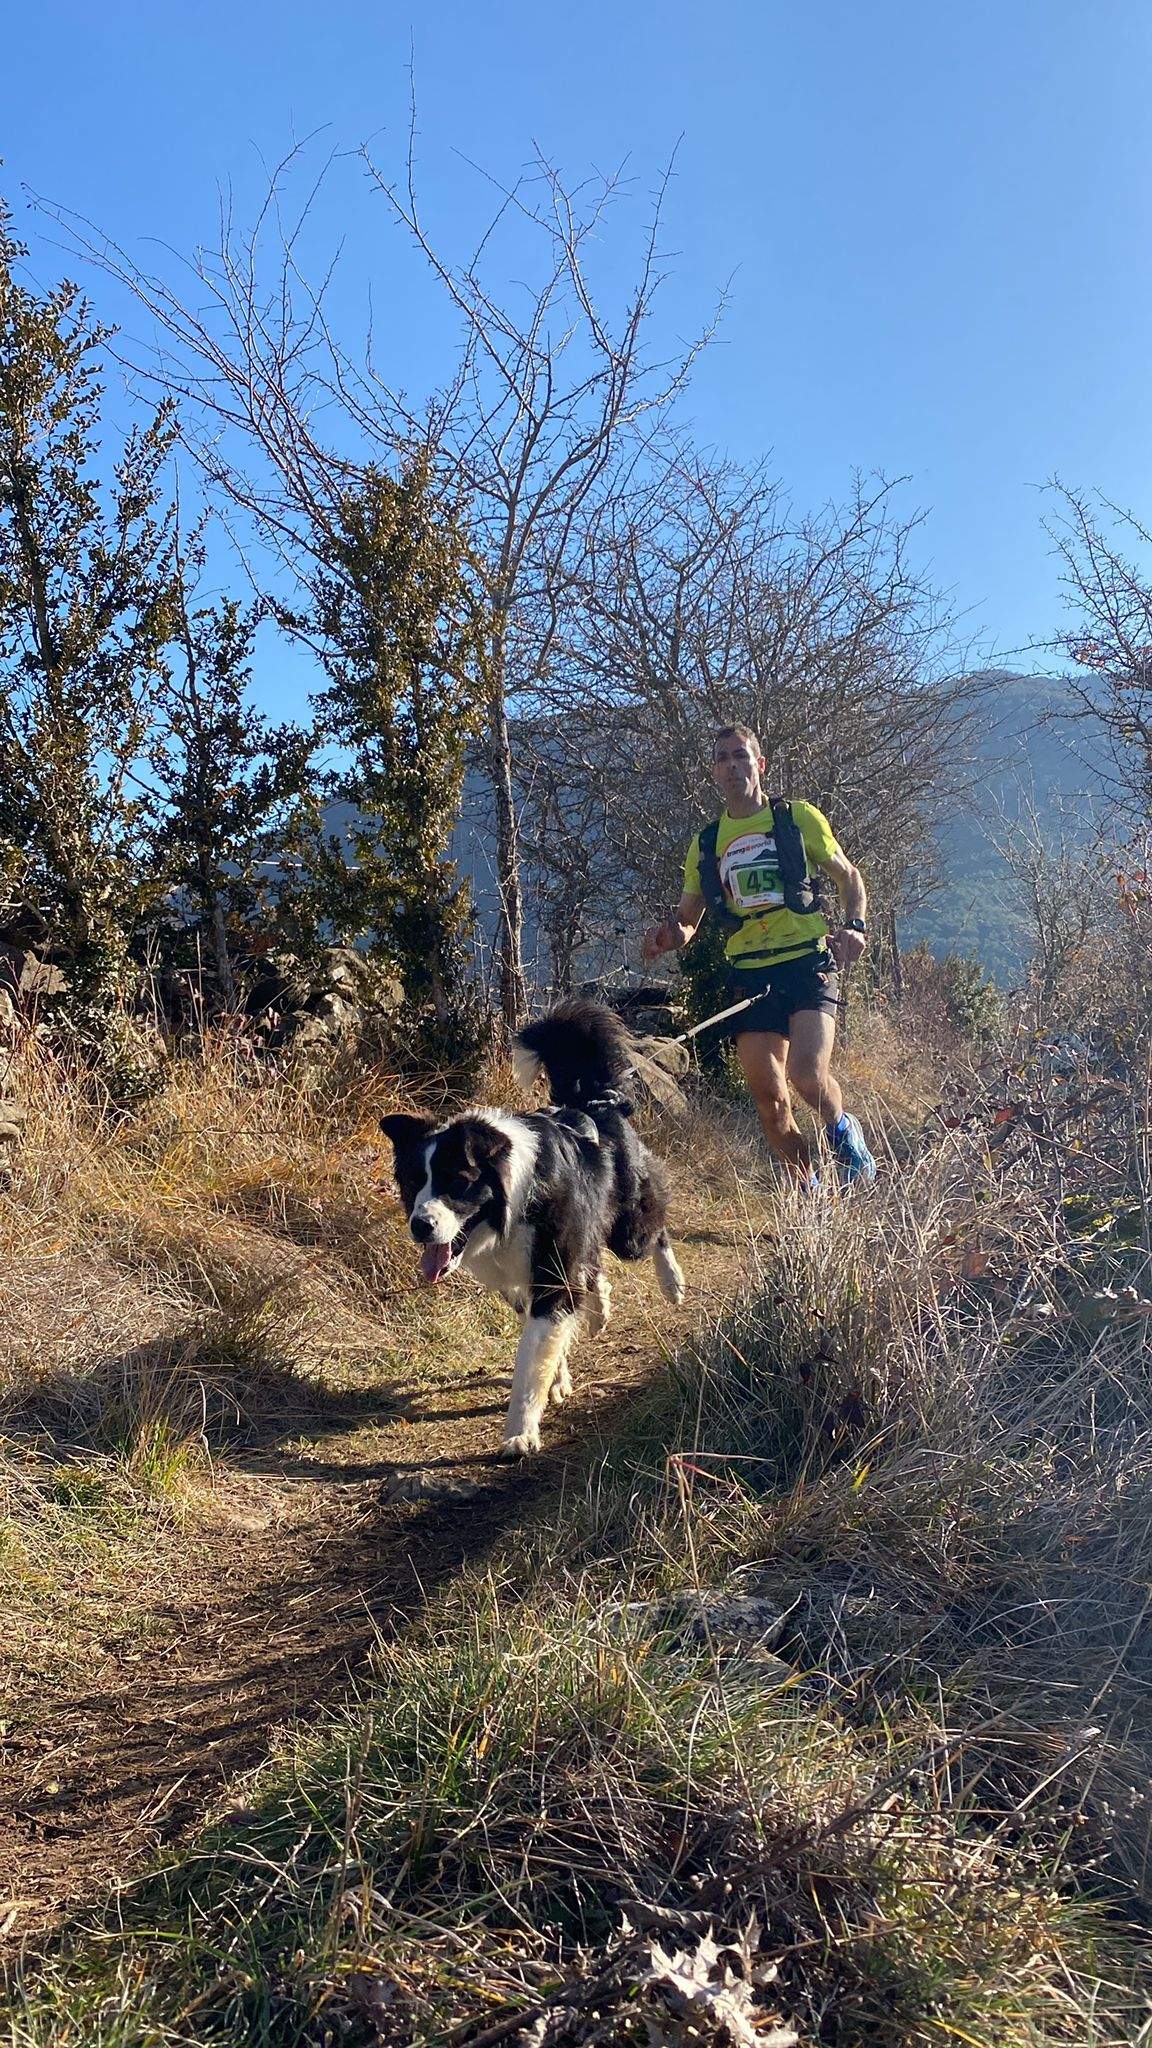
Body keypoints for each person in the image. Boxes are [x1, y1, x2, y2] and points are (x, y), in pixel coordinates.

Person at [641, 723, 877, 1185]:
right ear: (714, 772)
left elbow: (849, 877)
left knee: (807, 1076)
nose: (732, 766)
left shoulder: (796, 818)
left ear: (759, 764)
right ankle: (812, 1199)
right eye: (722, 759)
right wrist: (669, 936)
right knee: (771, 1104)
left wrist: (855, 926)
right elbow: (689, 919)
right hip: (750, 974)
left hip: (807, 961)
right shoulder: (706, 844)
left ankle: (843, 1129)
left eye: (740, 756)